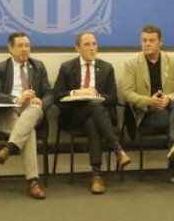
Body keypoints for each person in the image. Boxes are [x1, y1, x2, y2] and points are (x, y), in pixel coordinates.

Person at [52, 31, 131, 194]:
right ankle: (117, 149)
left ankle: (96, 176)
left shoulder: (106, 67)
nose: (92, 48)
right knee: (93, 109)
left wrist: (97, 95)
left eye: (94, 44)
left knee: (93, 119)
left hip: (99, 116)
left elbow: (113, 98)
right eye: (87, 44)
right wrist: (76, 93)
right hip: (74, 115)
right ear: (77, 48)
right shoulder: (67, 67)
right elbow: (56, 95)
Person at [120, 24, 174, 187]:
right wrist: (148, 101)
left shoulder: (173, 61)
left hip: (169, 108)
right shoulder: (131, 63)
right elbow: (127, 92)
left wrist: (168, 98)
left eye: (151, 40)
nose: (147, 44)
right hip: (146, 113)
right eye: (144, 40)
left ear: (160, 42)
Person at [0, 31, 54, 199]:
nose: (24, 50)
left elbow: (49, 93)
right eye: (20, 46)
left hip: (34, 111)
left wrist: (42, 101)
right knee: (28, 131)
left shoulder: (38, 66)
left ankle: (8, 149)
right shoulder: (0, 69)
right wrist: (17, 99)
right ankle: (32, 182)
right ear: (10, 49)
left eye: (27, 46)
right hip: (10, 113)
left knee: (33, 109)